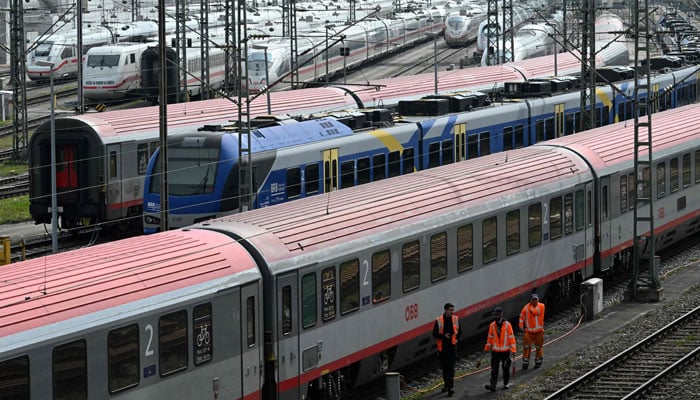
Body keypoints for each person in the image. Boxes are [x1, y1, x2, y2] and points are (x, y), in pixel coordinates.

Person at [484, 307, 516, 392]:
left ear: (501, 314)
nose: (495, 316)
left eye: (497, 314)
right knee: (494, 368)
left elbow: (511, 337)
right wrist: (487, 346)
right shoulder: (492, 325)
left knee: (505, 368)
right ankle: (493, 385)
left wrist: (513, 349)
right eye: (495, 315)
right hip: (495, 351)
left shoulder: (507, 325)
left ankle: (506, 383)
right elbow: (490, 337)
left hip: (505, 351)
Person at [433, 302, 462, 397]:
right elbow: (435, 334)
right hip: (442, 348)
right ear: (445, 310)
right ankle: (446, 385)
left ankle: (451, 387)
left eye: (453, 310)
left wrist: (456, 339)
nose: (452, 312)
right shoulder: (439, 320)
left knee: (450, 367)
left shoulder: (455, 319)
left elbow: (460, 331)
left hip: (452, 348)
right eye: (450, 310)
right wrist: (443, 336)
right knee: (445, 368)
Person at [519, 293, 545, 370]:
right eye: (533, 300)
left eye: (535, 300)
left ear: (538, 300)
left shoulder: (541, 306)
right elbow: (521, 317)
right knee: (526, 347)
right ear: (530, 300)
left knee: (539, 347)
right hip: (529, 332)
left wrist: (529, 307)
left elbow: (535, 311)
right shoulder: (526, 308)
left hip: (539, 332)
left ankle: (538, 362)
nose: (534, 301)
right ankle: (525, 363)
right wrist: (521, 325)